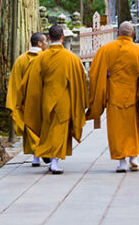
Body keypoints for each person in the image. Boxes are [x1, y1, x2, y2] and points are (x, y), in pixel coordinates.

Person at [87, 22, 139, 172]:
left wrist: (105, 82)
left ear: (117, 33)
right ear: (133, 34)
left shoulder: (106, 50)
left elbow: (94, 74)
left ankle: (121, 162)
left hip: (114, 96)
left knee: (117, 130)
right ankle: (133, 157)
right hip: (133, 96)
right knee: (133, 128)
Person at [16, 25, 88, 174]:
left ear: (49, 38)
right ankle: (54, 161)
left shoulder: (40, 58)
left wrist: (27, 102)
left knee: (48, 129)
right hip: (64, 102)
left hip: (46, 101)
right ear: (62, 37)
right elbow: (80, 82)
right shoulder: (72, 59)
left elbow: (31, 84)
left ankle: (44, 155)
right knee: (59, 131)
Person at [6, 32, 48, 167]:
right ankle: (45, 152)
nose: (47, 44)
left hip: (25, 102)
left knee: (29, 127)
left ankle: (35, 158)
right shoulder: (45, 58)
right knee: (43, 128)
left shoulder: (20, 60)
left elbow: (15, 82)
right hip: (41, 100)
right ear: (40, 44)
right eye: (45, 41)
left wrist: (16, 101)